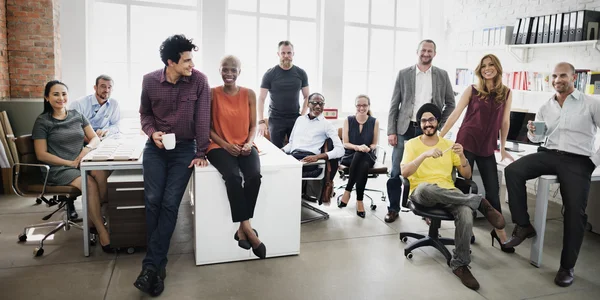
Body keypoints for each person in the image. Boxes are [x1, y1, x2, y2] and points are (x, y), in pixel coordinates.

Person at [503, 62, 600, 287]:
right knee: (513, 171)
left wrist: (593, 162)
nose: (558, 80)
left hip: (578, 159)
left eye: (563, 75)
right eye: (554, 76)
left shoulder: (590, 104)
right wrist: (533, 134)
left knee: (575, 212)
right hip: (549, 153)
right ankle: (524, 225)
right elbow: (539, 138)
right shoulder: (546, 106)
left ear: (574, 78)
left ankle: (567, 267)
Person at [134, 34, 210, 297]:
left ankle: (150, 266)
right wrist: (151, 132)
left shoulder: (198, 80)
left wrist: (201, 151)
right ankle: (158, 266)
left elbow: (202, 118)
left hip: (185, 149)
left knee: (169, 203)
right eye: (187, 60)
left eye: (192, 59)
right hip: (156, 147)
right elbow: (144, 113)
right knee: (153, 200)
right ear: (170, 62)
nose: (192, 64)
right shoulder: (149, 81)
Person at [400, 103, 505, 290]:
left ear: (438, 121)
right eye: (423, 120)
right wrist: (424, 155)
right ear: (419, 123)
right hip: (422, 193)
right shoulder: (411, 144)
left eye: (431, 119)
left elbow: (466, 175)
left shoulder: (449, 145)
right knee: (425, 188)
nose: (427, 124)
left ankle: (460, 265)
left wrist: (463, 156)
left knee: (465, 212)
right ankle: (479, 202)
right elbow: (405, 173)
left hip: (450, 193)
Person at [439, 54, 514, 253]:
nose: (487, 68)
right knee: (465, 186)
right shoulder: (472, 90)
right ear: (479, 70)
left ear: (497, 67)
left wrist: (504, 147)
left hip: (488, 146)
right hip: (467, 142)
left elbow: (505, 121)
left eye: (490, 65)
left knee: (492, 190)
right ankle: (465, 228)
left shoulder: (506, 93)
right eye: (483, 66)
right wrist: (440, 137)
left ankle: (499, 233)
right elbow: (455, 115)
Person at [32, 80, 112, 251]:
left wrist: (86, 150)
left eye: (64, 94)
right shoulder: (43, 121)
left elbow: (95, 138)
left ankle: (92, 219)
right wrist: (69, 162)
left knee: (102, 174)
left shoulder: (77, 115)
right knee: (89, 184)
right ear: (47, 98)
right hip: (58, 168)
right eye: (55, 94)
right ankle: (102, 231)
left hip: (79, 163)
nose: (61, 98)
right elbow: (41, 154)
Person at [385, 39, 456, 223]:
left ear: (434, 53)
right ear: (417, 51)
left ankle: (427, 211)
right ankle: (393, 208)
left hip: (429, 129)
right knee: (396, 170)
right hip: (405, 128)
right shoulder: (403, 74)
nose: (426, 53)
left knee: (426, 169)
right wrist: (391, 131)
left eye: (430, 51)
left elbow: (451, 103)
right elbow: (394, 103)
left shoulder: (442, 75)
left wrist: (439, 124)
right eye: (423, 50)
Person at [206, 55, 265, 259]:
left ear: (239, 72)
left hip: (245, 144)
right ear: (219, 70)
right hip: (218, 146)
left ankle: (242, 228)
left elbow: (253, 125)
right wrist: (224, 144)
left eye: (233, 70)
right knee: (232, 177)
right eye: (225, 69)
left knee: (254, 177)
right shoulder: (212, 94)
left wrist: (249, 143)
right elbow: (206, 127)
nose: (229, 73)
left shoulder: (249, 94)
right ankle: (248, 228)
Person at [257, 40, 310, 148]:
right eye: (283, 53)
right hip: (276, 119)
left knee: (296, 150)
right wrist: (261, 121)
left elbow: (307, 96)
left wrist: (302, 116)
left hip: (295, 119)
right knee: (276, 151)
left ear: (293, 54)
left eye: (289, 53)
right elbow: (261, 98)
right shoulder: (269, 74)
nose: (286, 56)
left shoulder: (301, 73)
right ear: (278, 54)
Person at [282, 92, 344, 178]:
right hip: (294, 157)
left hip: (310, 159)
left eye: (321, 103)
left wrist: (318, 157)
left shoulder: (327, 124)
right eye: (314, 103)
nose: (318, 106)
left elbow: (340, 150)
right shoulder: (300, 120)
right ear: (308, 104)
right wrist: (282, 151)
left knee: (286, 172)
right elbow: (291, 144)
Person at [337, 94, 380, 218]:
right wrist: (357, 147)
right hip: (350, 155)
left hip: (367, 155)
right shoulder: (348, 120)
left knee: (363, 158)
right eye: (359, 105)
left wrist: (368, 148)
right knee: (362, 162)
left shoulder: (374, 121)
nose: (362, 108)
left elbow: (374, 143)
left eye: (364, 105)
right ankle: (359, 201)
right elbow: (345, 143)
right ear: (355, 106)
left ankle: (348, 191)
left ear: (368, 106)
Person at [70, 75, 121, 140]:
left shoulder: (114, 104)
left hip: (103, 139)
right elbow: (73, 129)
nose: (107, 90)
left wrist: (106, 131)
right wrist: (93, 140)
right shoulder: (78, 104)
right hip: (83, 140)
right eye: (103, 86)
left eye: (109, 87)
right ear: (95, 87)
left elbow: (116, 125)